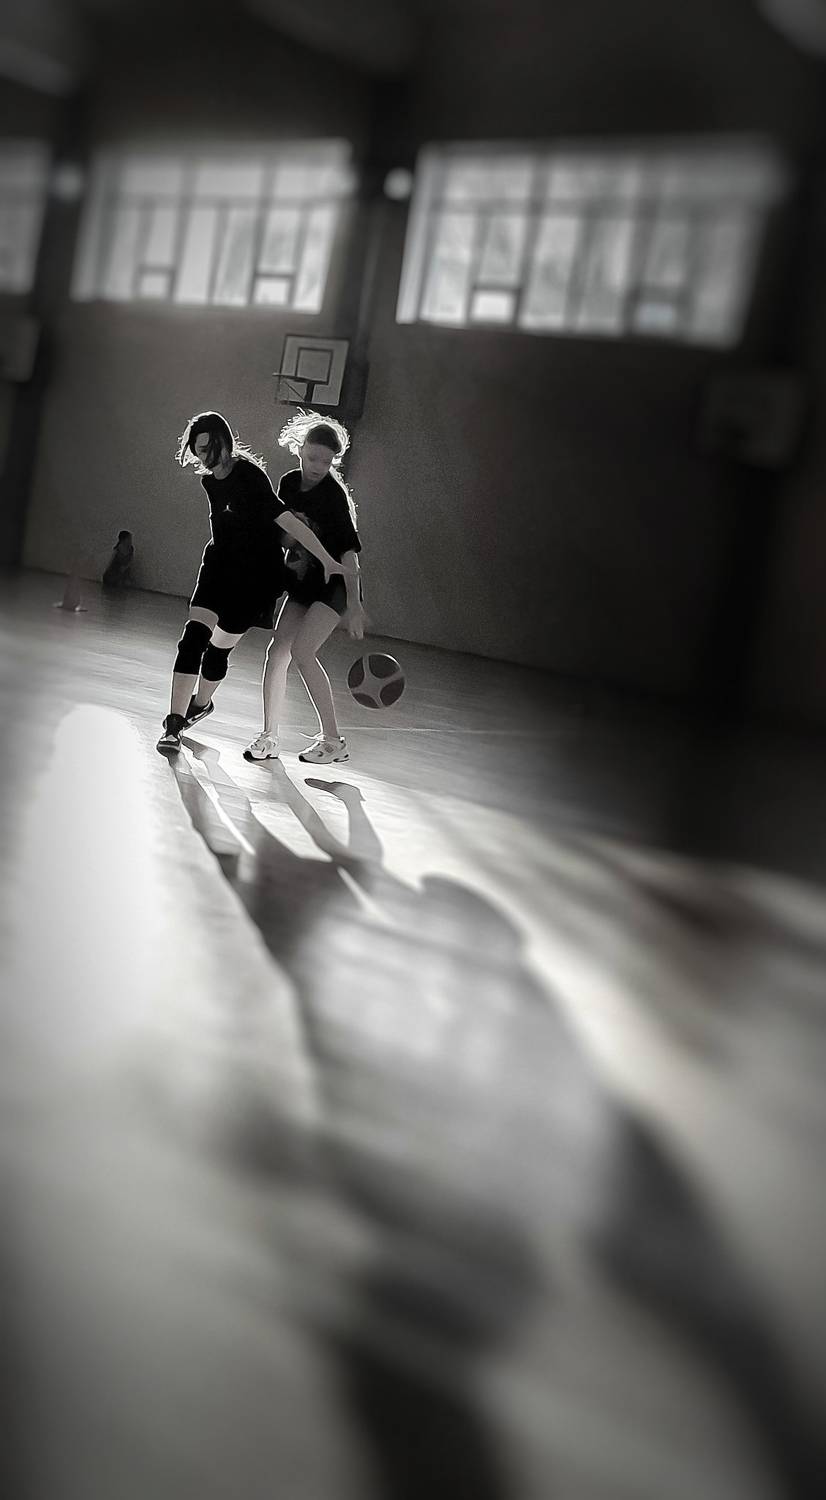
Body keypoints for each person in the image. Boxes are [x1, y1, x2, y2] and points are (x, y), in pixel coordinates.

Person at [157, 411, 349, 754]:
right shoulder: (209, 481)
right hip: (218, 567)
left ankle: (201, 704)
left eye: (210, 448)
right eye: (199, 451)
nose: (205, 457)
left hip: (254, 579)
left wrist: (325, 558)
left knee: (218, 651)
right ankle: (173, 726)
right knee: (193, 639)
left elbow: (287, 521)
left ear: (225, 443)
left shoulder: (249, 475)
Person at [244, 410, 365, 766]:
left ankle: (333, 740)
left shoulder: (333, 496)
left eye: (326, 462)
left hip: (335, 585)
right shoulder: (288, 484)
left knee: (303, 651)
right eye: (313, 458)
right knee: (277, 652)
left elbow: (349, 554)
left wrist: (355, 604)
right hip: (303, 582)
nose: (318, 466)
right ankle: (269, 737)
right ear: (300, 449)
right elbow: (282, 535)